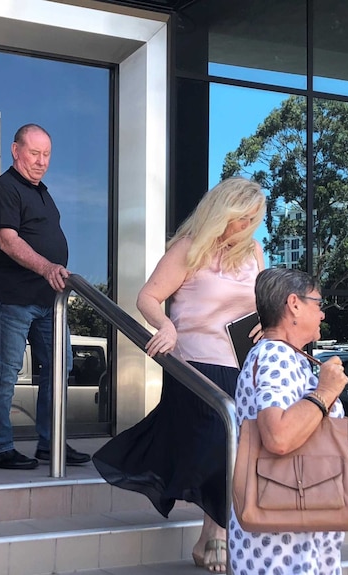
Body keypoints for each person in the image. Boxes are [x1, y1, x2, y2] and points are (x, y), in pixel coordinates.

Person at [92, 177, 266, 573]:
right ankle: (215, 536)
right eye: (242, 218)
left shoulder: (255, 251)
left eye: (254, 219)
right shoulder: (189, 248)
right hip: (195, 366)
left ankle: (213, 535)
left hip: (241, 366)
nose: (247, 227)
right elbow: (148, 297)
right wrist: (165, 326)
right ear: (223, 212)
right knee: (219, 444)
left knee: (236, 452)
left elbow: (262, 302)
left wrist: (266, 322)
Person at [0, 123, 90, 470]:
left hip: (47, 301)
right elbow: (7, 240)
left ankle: (49, 441)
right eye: (33, 153)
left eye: (46, 155)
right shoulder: (5, 188)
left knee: (61, 367)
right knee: (6, 371)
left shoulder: (42, 192)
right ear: (15, 151)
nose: (41, 161)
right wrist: (47, 267)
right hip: (11, 298)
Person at [230, 268, 348, 575]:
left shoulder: (288, 357)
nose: (322, 314)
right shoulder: (275, 355)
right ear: (294, 304)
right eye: (318, 304)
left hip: (294, 530)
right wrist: (326, 391)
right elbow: (279, 436)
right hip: (282, 546)